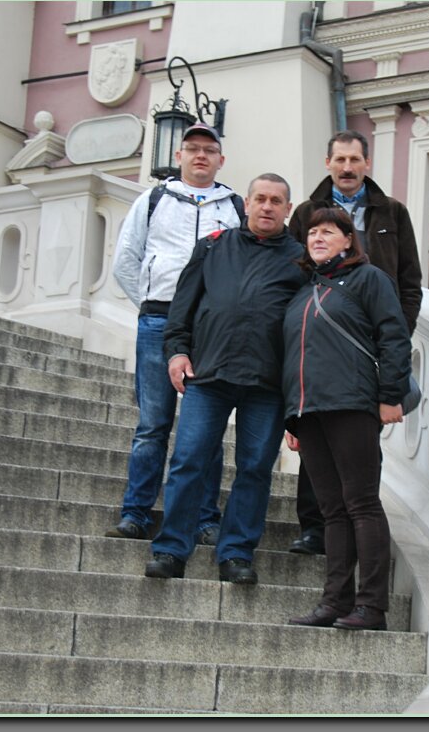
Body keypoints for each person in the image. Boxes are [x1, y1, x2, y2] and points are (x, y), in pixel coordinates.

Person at [144, 173, 307, 584]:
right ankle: (170, 549)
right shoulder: (213, 247)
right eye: (260, 199)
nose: (267, 207)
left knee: (254, 468)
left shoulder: (300, 261)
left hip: (267, 385)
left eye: (276, 201)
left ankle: (235, 553)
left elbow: (308, 331)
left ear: (288, 209)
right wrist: (177, 352)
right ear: (246, 204)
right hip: (208, 375)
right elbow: (180, 311)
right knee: (188, 461)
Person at [285, 129, 422, 556]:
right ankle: (314, 527)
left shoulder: (392, 212)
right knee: (316, 441)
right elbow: (291, 274)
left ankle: (356, 536)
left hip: (367, 345)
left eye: (354, 160)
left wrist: (394, 338)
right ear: (328, 164)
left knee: (358, 448)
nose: (347, 168)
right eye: (339, 160)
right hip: (319, 341)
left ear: (367, 165)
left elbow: (410, 283)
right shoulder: (307, 212)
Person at [109, 123, 243, 545]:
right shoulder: (152, 200)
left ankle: (205, 518)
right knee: (152, 424)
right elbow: (125, 260)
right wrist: (150, 303)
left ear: (221, 159)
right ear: (180, 156)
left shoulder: (234, 206)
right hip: (158, 322)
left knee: (208, 429)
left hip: (210, 330)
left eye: (209, 150)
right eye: (192, 149)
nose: (200, 156)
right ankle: (136, 512)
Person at [281, 205, 412, 631]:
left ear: (348, 240)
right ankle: (334, 603)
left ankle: (371, 607)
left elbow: (394, 336)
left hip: (353, 404)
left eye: (329, 232)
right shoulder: (303, 292)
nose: (318, 237)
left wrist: (390, 395)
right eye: (312, 232)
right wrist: (292, 416)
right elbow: (291, 357)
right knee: (332, 511)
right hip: (310, 410)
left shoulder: (368, 279)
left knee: (361, 504)